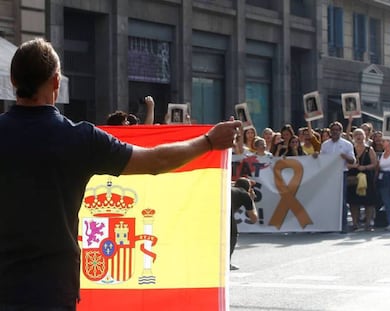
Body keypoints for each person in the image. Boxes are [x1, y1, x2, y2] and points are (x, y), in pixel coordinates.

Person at [1, 38, 242, 310]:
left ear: (12, 80)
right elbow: (155, 161)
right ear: (56, 82)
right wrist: (208, 141)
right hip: (54, 286)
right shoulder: (80, 138)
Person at [319, 121, 356, 233]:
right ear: (330, 131)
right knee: (329, 200)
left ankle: (343, 225)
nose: (335, 132)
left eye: (337, 130)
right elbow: (322, 160)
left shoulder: (347, 144)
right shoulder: (325, 145)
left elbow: (353, 160)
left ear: (340, 131)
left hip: (341, 174)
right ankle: (329, 225)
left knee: (341, 200)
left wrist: (345, 156)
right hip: (329, 176)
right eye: (333, 130)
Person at [346, 128, 377, 231]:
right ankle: (355, 223)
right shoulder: (350, 149)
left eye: (360, 134)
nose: (358, 137)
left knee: (368, 201)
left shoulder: (369, 149)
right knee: (353, 201)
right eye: (356, 135)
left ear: (364, 136)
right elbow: (346, 164)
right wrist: (352, 166)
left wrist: (365, 167)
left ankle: (368, 223)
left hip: (366, 177)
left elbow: (375, 163)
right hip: (353, 177)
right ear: (353, 137)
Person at [230, 178, 258, 270]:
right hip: (226, 213)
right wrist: (252, 199)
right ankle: (226, 263)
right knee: (232, 235)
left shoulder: (229, 188)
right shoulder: (244, 194)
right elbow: (254, 218)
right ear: (249, 189)